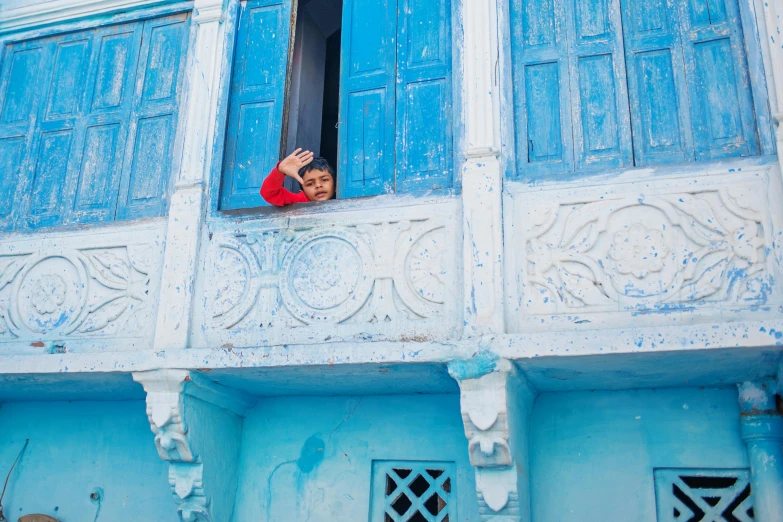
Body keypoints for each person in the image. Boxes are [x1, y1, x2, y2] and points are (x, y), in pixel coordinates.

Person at [260, 148, 335, 206]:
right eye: (310, 184)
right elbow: (270, 194)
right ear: (303, 191)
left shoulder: (344, 197)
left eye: (324, 180)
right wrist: (279, 171)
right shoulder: (301, 202)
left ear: (336, 186)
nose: (318, 185)